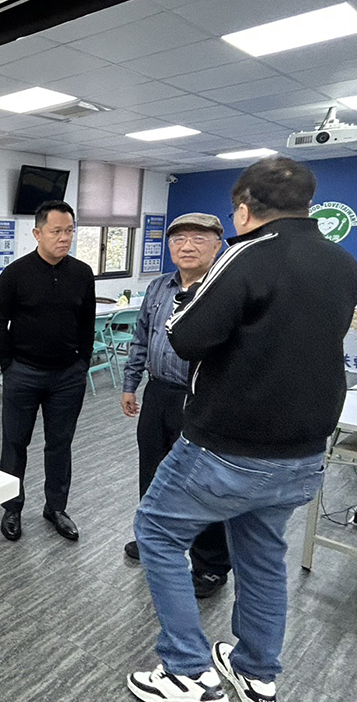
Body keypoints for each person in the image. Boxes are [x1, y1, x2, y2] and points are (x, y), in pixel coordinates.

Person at [127, 157, 357, 702]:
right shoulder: (342, 262)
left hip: (228, 446)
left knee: (156, 531)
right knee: (262, 554)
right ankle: (256, 670)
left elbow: (185, 337)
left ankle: (184, 668)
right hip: (303, 451)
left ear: (245, 209)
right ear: (307, 204)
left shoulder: (246, 254)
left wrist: (189, 299)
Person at [121, 213, 231, 599]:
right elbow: (140, 338)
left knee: (202, 482)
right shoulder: (158, 287)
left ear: (217, 245)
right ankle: (153, 538)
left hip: (202, 397)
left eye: (198, 239)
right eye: (178, 239)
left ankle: (210, 564)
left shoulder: (225, 289)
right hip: (158, 392)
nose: (186, 246)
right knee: (153, 471)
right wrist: (130, 384)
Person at [0, 200, 95, 542]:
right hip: (24, 373)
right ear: (37, 233)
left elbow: (87, 323)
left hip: (67, 376)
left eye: (70, 231)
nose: (64, 238)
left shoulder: (82, 274)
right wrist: (8, 366)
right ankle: (12, 507)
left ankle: (56, 508)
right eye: (56, 231)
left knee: (60, 444)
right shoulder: (15, 274)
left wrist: (82, 362)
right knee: (14, 443)